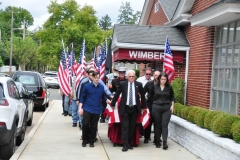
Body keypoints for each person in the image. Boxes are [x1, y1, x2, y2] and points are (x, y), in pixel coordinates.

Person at [110, 70, 146, 152]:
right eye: (130, 76)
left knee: (132, 127)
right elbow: (117, 94)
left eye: (133, 76)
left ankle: (129, 143)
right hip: (125, 108)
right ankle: (125, 144)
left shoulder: (138, 85)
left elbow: (143, 96)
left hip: (134, 108)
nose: (131, 78)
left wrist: (143, 106)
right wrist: (112, 103)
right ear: (127, 77)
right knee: (125, 127)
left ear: (135, 77)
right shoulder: (123, 84)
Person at [78, 72, 111, 147]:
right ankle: (84, 139)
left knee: (94, 126)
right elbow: (82, 98)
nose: (96, 79)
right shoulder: (87, 87)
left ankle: (91, 140)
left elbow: (103, 97)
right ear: (92, 78)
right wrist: (80, 108)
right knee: (85, 124)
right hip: (87, 108)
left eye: (98, 78)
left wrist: (108, 101)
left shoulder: (101, 87)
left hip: (96, 109)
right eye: (95, 77)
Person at [149, 72, 174, 149]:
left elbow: (172, 97)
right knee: (157, 125)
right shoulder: (154, 87)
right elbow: (150, 96)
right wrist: (154, 104)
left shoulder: (169, 87)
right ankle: (157, 141)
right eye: (162, 79)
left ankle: (164, 142)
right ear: (159, 79)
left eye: (165, 79)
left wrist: (172, 105)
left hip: (166, 108)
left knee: (164, 125)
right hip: (156, 107)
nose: (163, 81)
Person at [143, 70, 161, 144]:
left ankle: (157, 138)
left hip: (159, 105)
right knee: (149, 121)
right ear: (153, 76)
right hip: (150, 104)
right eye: (155, 75)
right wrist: (145, 99)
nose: (156, 77)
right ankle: (147, 137)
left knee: (158, 122)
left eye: (158, 75)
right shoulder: (149, 83)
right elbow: (142, 92)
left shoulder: (162, 85)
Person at [136, 67, 153, 137]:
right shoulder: (139, 80)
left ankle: (147, 135)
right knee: (140, 116)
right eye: (147, 74)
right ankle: (140, 132)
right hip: (141, 101)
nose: (148, 75)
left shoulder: (153, 80)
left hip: (149, 102)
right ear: (144, 73)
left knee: (149, 117)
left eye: (149, 74)